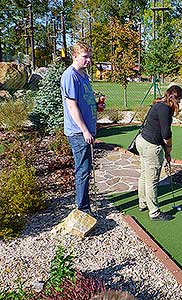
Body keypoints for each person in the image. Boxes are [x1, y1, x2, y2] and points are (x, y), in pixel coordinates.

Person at [136, 85, 182, 221]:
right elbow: (166, 133)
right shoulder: (164, 109)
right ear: (176, 98)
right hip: (151, 146)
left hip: (142, 141)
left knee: (145, 174)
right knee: (152, 180)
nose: (180, 103)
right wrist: (169, 149)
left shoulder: (159, 104)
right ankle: (154, 212)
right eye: (180, 99)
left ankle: (143, 203)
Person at [61, 41, 98, 216]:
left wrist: (96, 105)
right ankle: (82, 209)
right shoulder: (70, 76)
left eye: (90, 56)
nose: (89, 60)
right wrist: (84, 130)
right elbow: (72, 106)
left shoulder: (83, 75)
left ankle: (85, 204)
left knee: (86, 168)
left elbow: (84, 100)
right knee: (83, 169)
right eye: (85, 56)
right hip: (78, 132)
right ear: (75, 56)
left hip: (87, 130)